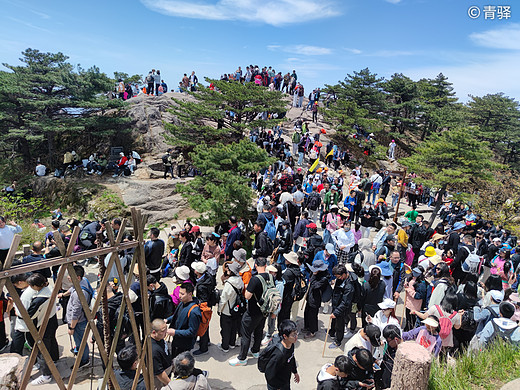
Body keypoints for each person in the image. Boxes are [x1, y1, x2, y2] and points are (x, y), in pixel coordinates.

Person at [19, 273, 59, 385]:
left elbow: (29, 315)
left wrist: (19, 314)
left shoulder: (39, 300)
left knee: (42, 350)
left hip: (43, 325)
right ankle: (54, 360)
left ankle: (46, 375)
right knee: (52, 341)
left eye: (31, 286)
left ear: (36, 286)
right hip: (52, 319)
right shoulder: (49, 287)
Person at [229, 257, 269, 366]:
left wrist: (247, 288)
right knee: (259, 331)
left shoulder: (255, 279)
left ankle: (242, 358)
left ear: (255, 265)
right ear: (265, 265)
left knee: (246, 334)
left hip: (252, 311)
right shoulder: (270, 277)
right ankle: (256, 351)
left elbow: (247, 296)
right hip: (264, 310)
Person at [64, 265, 93, 369]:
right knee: (80, 340)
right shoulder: (84, 281)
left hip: (79, 322)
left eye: (70, 276)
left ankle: (84, 360)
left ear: (78, 278)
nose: (68, 277)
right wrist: (64, 294)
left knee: (81, 342)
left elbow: (76, 312)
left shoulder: (78, 294)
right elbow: (71, 289)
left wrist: (71, 327)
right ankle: (82, 355)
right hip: (80, 320)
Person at [263, 320, 300, 390]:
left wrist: (295, 372)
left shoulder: (291, 344)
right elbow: (269, 374)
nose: (296, 337)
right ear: (285, 336)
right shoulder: (278, 355)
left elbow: (291, 358)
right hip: (276, 386)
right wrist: (277, 387)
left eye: (296, 333)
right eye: (293, 335)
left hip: (285, 381)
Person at [167, 283, 201, 358]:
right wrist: (167, 320)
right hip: (176, 340)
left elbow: (192, 332)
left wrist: (175, 332)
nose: (179, 296)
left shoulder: (194, 311)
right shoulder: (182, 303)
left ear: (190, 294)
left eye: (182, 294)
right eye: (179, 293)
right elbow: (177, 315)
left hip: (184, 345)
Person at [218, 261, 244, 352]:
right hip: (236, 308)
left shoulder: (229, 284)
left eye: (229, 268)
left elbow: (223, 299)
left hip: (227, 310)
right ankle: (232, 344)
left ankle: (225, 346)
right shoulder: (240, 280)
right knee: (233, 327)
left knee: (225, 329)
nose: (227, 269)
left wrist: (219, 309)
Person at [191, 261, 215, 356]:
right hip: (209, 303)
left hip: (204, 307)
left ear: (197, 272)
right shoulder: (208, 277)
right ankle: (206, 341)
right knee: (206, 324)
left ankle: (203, 348)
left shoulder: (201, 286)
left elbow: (202, 300)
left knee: (203, 325)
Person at [329, 264, 355, 349]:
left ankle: (338, 341)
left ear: (344, 274)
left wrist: (337, 312)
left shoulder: (349, 286)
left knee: (339, 325)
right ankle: (332, 332)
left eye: (338, 276)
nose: (337, 278)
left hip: (342, 309)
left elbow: (345, 302)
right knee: (334, 320)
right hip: (336, 303)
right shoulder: (341, 279)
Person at [151, 318, 173, 389]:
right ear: (154, 332)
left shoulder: (159, 337)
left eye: (166, 329)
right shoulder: (153, 350)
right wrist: (170, 384)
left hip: (167, 369)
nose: (166, 332)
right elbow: (159, 373)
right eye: (163, 331)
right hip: (160, 379)